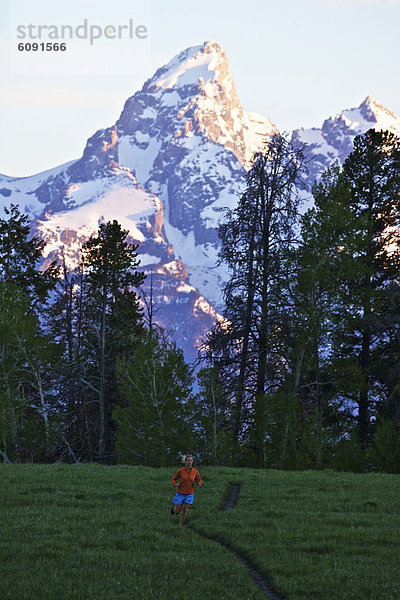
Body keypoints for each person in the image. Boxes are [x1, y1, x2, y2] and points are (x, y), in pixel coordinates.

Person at [170, 455, 202, 526]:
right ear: (185, 462)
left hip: (189, 494)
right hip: (180, 493)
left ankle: (180, 525)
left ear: (192, 461)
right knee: (177, 512)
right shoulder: (181, 470)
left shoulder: (195, 471)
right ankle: (174, 509)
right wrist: (174, 484)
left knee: (185, 510)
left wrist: (199, 483)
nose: (189, 462)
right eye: (188, 460)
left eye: (191, 460)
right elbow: (173, 478)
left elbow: (199, 479)